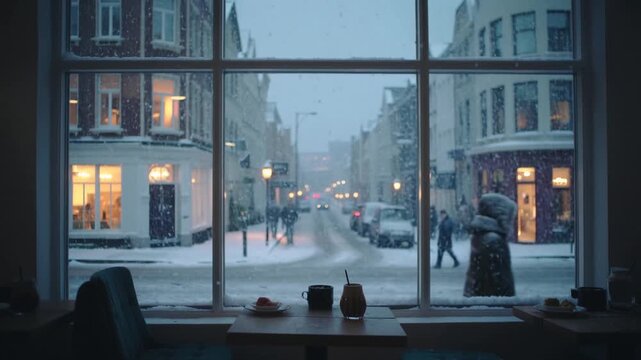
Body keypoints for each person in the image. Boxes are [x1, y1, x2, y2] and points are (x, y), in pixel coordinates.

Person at [464, 193, 516, 297]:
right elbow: (500, 282)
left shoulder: (481, 235)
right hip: (492, 306)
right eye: (510, 218)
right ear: (502, 217)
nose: (512, 223)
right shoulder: (494, 242)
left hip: (479, 301)